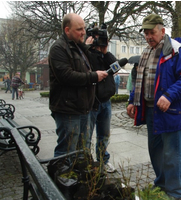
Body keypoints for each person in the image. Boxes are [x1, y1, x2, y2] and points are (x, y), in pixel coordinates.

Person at [126, 14, 181, 200]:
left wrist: (169, 95)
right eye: (146, 33)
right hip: (151, 111)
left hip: (170, 111)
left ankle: (175, 193)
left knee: (171, 154)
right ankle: (161, 184)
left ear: (162, 31)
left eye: (152, 32)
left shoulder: (176, 51)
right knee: (155, 151)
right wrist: (133, 99)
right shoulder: (147, 52)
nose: (149, 36)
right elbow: (139, 80)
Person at [48, 13, 108, 157]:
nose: (83, 32)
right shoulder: (58, 48)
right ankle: (61, 178)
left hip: (82, 108)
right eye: (79, 29)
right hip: (68, 109)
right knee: (67, 151)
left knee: (81, 150)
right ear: (67, 30)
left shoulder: (79, 47)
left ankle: (78, 177)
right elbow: (66, 76)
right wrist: (94, 76)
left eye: (84, 28)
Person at [85, 31, 117, 173]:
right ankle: (85, 163)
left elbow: (116, 66)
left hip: (106, 101)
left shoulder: (105, 56)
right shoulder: (85, 54)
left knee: (104, 135)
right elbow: (81, 66)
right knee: (86, 136)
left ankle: (103, 160)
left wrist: (105, 52)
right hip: (91, 102)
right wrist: (86, 47)